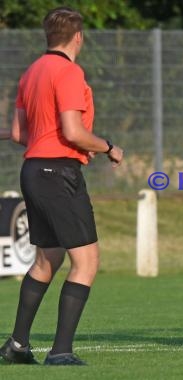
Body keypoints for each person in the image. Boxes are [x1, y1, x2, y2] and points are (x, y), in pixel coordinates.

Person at [0, 7, 123, 366]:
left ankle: (17, 346)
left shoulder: (31, 71)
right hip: (59, 173)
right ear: (78, 37)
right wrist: (109, 147)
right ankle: (61, 351)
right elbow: (73, 133)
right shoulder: (69, 72)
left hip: (33, 171)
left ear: (47, 36)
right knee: (86, 261)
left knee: (46, 259)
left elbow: (22, 135)